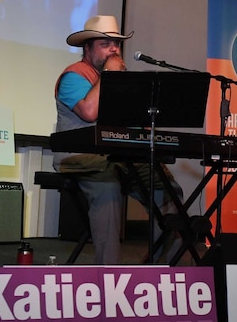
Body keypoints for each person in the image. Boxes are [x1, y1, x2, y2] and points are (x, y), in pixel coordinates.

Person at [53, 15, 183, 264]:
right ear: (87, 48)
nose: (113, 50)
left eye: (116, 44)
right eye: (105, 44)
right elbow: (89, 112)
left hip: (121, 157)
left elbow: (137, 123)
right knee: (108, 188)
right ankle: (110, 278)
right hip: (83, 157)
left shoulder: (122, 80)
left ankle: (159, 270)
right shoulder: (73, 76)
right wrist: (109, 77)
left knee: (169, 191)